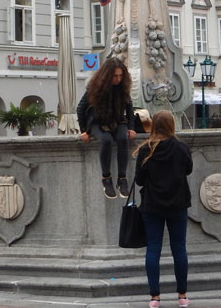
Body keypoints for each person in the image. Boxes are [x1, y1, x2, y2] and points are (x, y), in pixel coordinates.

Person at [132, 111, 192, 308]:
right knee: (179, 249)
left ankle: (155, 298)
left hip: (152, 205)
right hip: (178, 203)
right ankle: (182, 296)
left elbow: (139, 180)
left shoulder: (146, 150)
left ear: (154, 126)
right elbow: (188, 169)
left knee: (153, 249)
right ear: (172, 125)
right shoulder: (182, 147)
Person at [77, 57, 137, 199]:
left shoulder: (122, 88)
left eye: (121, 76)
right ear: (107, 75)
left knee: (123, 138)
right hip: (97, 122)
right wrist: (84, 131)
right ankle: (106, 179)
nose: (118, 79)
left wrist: (131, 127)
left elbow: (130, 108)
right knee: (106, 140)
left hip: (117, 121)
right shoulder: (95, 87)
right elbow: (80, 108)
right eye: (115, 76)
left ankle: (122, 179)